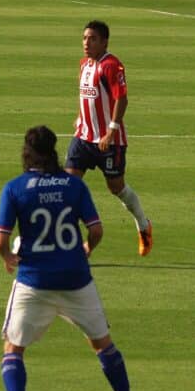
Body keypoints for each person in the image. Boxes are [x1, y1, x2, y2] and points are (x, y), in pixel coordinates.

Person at [0, 125, 148, 391]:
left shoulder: (15, 188)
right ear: (53, 152)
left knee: (13, 348)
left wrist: (8, 259)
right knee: (104, 346)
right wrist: (86, 249)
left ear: (26, 154)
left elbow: (0, 240)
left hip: (34, 282)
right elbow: (97, 230)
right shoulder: (73, 185)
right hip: (76, 279)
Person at [64, 21, 153, 256]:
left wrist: (111, 129)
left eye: (92, 39)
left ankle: (143, 225)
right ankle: (72, 245)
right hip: (83, 138)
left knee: (117, 188)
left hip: (109, 141)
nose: (86, 43)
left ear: (104, 42)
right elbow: (87, 96)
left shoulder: (112, 66)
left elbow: (121, 98)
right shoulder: (84, 64)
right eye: (84, 38)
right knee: (69, 187)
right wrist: (79, 117)